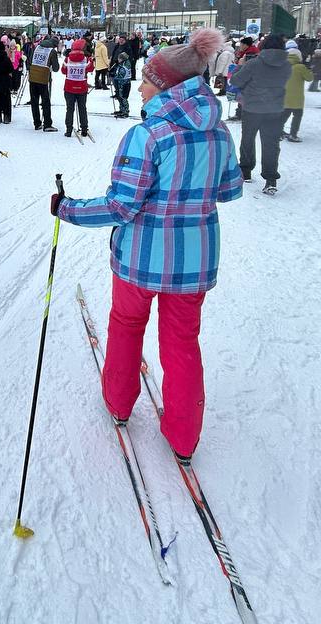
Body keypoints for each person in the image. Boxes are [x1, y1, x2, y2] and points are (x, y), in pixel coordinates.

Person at [52, 28, 241, 465]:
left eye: (147, 81)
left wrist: (68, 209)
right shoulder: (218, 132)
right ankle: (184, 436)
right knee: (182, 341)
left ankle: (119, 403)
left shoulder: (149, 134)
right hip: (193, 262)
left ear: (166, 86)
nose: (140, 88)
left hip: (140, 259)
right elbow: (229, 189)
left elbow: (121, 206)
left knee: (126, 325)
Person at [229, 33, 291, 194]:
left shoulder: (254, 64)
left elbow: (235, 81)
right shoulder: (287, 65)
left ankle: (246, 171)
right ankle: (271, 179)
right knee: (271, 143)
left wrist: (240, 66)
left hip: (252, 108)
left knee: (248, 139)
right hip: (275, 108)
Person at [27, 30, 61, 131]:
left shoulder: (37, 47)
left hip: (33, 76)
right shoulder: (52, 51)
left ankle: (37, 123)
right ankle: (47, 124)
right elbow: (56, 68)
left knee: (34, 101)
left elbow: (30, 60)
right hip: (43, 78)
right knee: (45, 101)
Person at [281, 45, 312, 143]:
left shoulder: (283, 65)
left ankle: (278, 131)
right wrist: (309, 69)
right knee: (297, 116)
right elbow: (309, 78)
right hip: (297, 97)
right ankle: (293, 134)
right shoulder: (300, 67)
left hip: (284, 95)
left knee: (284, 115)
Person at [61, 38, 91, 137]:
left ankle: (68, 130)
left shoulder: (67, 59)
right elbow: (91, 68)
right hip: (82, 87)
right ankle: (84, 129)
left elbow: (63, 71)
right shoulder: (86, 59)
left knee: (69, 109)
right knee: (82, 108)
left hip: (69, 87)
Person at [109, 52, 132, 118]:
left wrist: (113, 75)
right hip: (123, 83)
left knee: (123, 97)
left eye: (119, 58)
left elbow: (120, 75)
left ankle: (125, 111)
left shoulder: (124, 66)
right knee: (120, 96)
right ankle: (122, 110)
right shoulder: (123, 63)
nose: (118, 59)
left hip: (123, 84)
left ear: (122, 59)